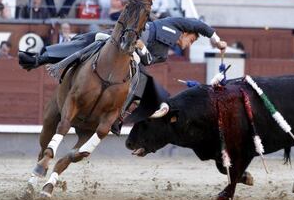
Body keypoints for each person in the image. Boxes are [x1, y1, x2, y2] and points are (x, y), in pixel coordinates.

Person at [18, 17, 227, 133]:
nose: (190, 43)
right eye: (192, 39)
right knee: (88, 42)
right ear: (187, 32)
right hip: (121, 38)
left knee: (139, 85)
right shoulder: (174, 24)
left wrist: (143, 49)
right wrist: (216, 40)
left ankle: (117, 117)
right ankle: (39, 59)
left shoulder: (164, 53)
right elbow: (201, 25)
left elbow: (148, 61)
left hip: (132, 57)